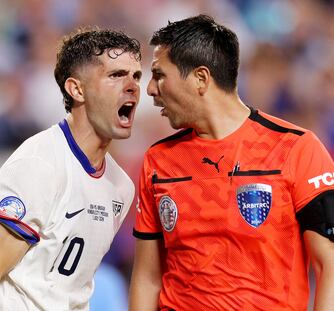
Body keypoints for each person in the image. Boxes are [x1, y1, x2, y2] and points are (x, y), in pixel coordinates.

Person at [129, 14, 334, 311]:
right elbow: (148, 278)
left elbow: (328, 263)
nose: (150, 89)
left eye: (159, 75)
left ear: (200, 78)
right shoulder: (157, 160)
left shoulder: (297, 149)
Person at [0, 27, 142, 311]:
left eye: (136, 76)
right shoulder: (39, 163)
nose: (132, 85)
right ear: (76, 89)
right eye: (116, 75)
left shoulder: (121, 186)